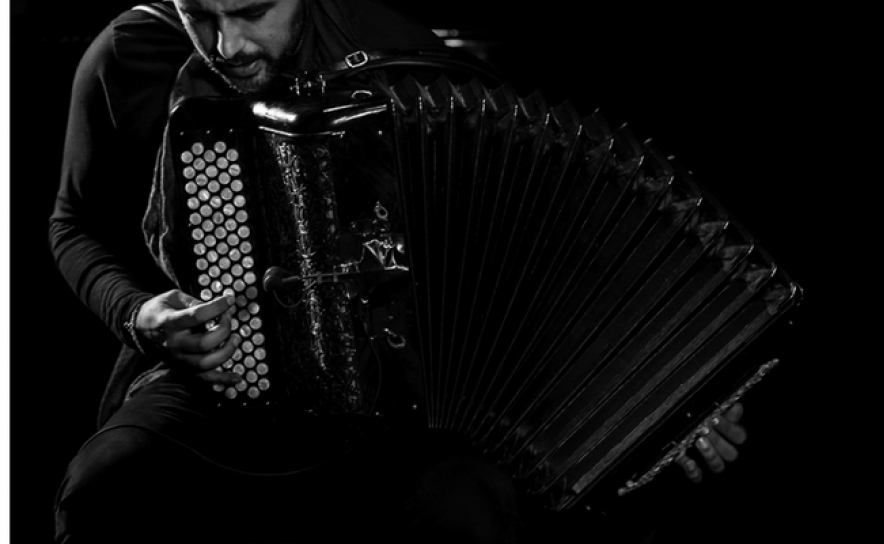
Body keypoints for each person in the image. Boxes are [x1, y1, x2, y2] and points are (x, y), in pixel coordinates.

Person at [49, 1, 748, 543]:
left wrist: (666, 394)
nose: (226, 45)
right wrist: (137, 313)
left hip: (396, 415)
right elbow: (72, 224)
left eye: (253, 12)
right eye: (198, 15)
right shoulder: (132, 55)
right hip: (218, 384)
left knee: (467, 507)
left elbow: (544, 266)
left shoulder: (403, 60)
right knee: (106, 483)